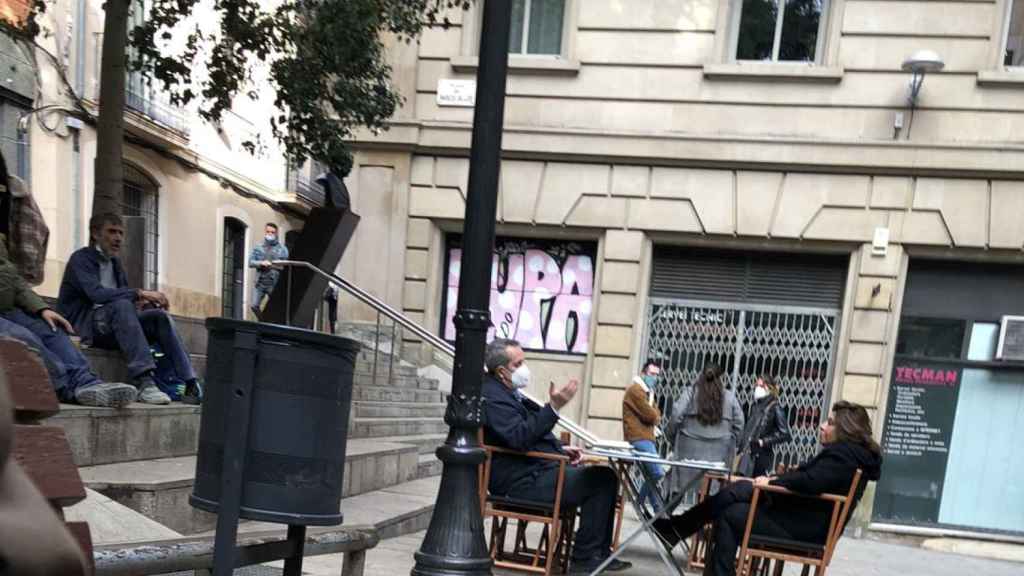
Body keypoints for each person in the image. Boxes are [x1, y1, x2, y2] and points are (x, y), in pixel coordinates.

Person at [653, 401, 883, 576]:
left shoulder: (845, 456)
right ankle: (676, 529)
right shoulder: (850, 455)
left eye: (830, 422)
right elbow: (812, 478)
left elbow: (811, 482)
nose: (823, 425)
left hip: (802, 527)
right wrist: (777, 479)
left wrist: (773, 483)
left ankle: (676, 528)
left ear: (846, 428)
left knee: (731, 514)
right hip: (799, 518)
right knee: (740, 490)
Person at [482, 338, 632, 574]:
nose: (524, 368)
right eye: (518, 363)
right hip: (521, 482)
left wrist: (560, 451)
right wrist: (553, 407)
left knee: (606, 476)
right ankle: (584, 558)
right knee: (599, 480)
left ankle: (599, 554)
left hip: (538, 470)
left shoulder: (508, 391)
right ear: (502, 371)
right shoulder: (492, 396)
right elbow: (519, 437)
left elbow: (529, 432)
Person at [57, 213, 201, 405]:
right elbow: (97, 294)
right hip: (85, 329)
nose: (117, 238)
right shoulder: (80, 259)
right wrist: (139, 293)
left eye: (121, 233)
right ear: (95, 234)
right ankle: (144, 381)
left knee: (158, 317)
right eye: (111, 232)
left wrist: (141, 304)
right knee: (122, 305)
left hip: (112, 326)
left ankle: (190, 381)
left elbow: (123, 298)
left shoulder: (116, 264)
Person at [0, 239, 137, 407]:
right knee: (24, 337)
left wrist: (42, 309)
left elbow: (14, 280)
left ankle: (87, 382)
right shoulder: (82, 258)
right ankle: (65, 388)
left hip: (8, 309)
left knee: (52, 329)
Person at [664, 364, 744, 503]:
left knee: (676, 489)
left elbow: (676, 416)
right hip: (718, 461)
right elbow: (740, 424)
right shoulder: (730, 398)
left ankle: (663, 516)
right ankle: (704, 521)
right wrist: (733, 445)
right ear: (720, 379)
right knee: (711, 495)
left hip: (687, 458)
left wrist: (672, 439)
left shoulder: (690, 393)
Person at [622, 360, 664, 510]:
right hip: (639, 438)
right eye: (652, 374)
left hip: (646, 438)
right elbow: (652, 416)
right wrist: (655, 416)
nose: (655, 377)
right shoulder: (636, 391)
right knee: (657, 472)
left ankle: (657, 509)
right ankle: (639, 502)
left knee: (650, 474)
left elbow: (656, 413)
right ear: (643, 373)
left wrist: (655, 415)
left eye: (657, 375)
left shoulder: (647, 392)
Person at [737, 375, 792, 478]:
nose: (757, 389)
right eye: (756, 386)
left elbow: (785, 434)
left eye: (760, 386)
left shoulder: (775, 408)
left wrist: (763, 441)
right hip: (747, 453)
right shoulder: (756, 406)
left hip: (760, 455)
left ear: (768, 388)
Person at [248, 222, 289, 318]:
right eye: (268, 231)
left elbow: (285, 266)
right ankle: (263, 321)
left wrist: (274, 264)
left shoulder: (282, 249)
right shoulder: (258, 247)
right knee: (254, 305)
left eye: (272, 232)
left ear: (276, 233)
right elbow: (250, 262)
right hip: (260, 282)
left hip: (273, 283)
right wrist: (261, 263)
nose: (270, 234)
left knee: (277, 308)